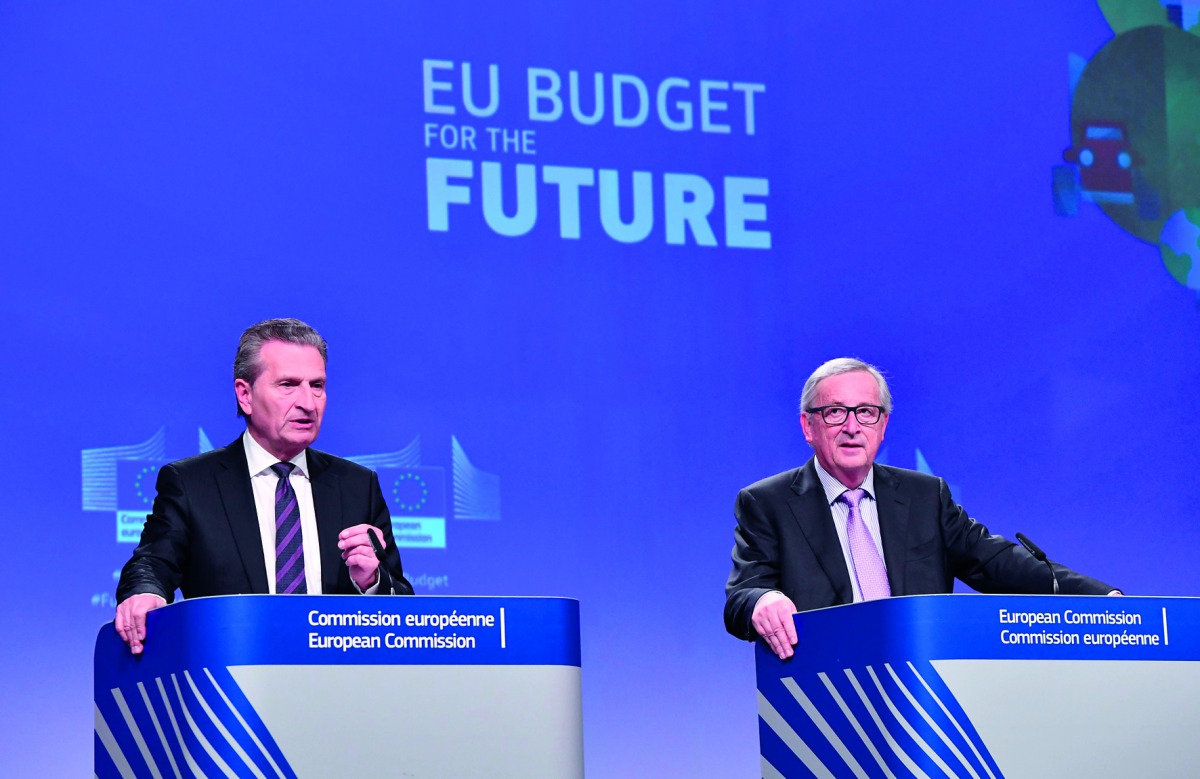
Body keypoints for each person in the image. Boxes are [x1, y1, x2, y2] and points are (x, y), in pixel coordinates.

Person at [724, 357, 1117, 660]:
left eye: (866, 412)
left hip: (923, 690)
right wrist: (762, 600)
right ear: (809, 427)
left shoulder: (923, 496)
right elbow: (742, 596)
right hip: (827, 697)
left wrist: (1100, 600)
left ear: (883, 424)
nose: (852, 426)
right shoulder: (768, 503)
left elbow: (996, 562)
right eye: (835, 412)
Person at [115, 318, 413, 654]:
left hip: (339, 687)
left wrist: (372, 583)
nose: (308, 402)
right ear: (245, 395)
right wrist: (145, 593)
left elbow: (406, 611)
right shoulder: (192, 484)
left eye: (317, 385)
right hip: (234, 678)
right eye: (288, 384)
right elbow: (152, 563)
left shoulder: (358, 485)